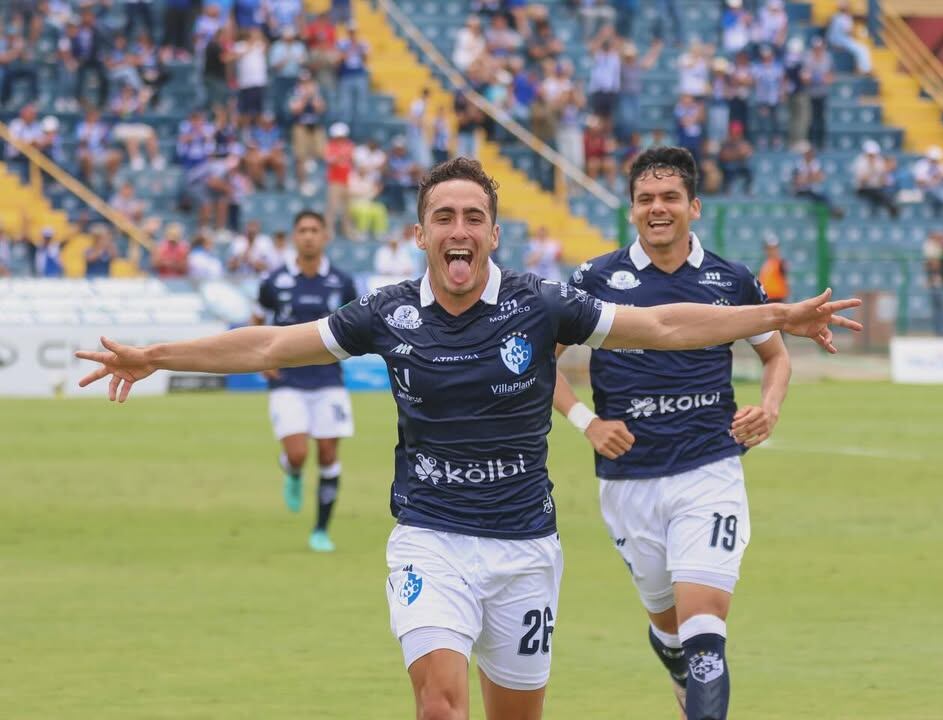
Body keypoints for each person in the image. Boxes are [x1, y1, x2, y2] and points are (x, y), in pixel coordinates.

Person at [74, 158, 861, 720]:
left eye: (473, 217)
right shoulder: (387, 313)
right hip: (430, 543)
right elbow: (271, 346)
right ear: (421, 234)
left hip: (524, 552)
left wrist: (777, 315)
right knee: (440, 705)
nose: (459, 230)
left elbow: (660, 325)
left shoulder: (541, 304)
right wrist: (155, 355)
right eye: (444, 217)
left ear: (492, 233)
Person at [555, 148, 792, 720]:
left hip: (709, 470)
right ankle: (672, 657)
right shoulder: (594, 279)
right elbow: (538, 364)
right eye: (645, 200)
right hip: (628, 481)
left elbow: (776, 355)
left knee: (704, 629)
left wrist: (769, 407)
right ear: (632, 210)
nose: (657, 209)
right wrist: (586, 422)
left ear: (693, 206)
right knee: (669, 626)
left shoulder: (730, 279)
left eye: (669, 198)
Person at [251, 211, 359, 552]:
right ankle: (292, 471)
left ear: (326, 235)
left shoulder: (341, 281)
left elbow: (356, 325)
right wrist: (261, 359)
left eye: (315, 230)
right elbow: (256, 319)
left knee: (328, 453)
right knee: (298, 453)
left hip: (328, 377)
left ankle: (321, 530)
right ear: (294, 237)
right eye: (303, 230)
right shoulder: (275, 281)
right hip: (287, 379)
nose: (309, 236)